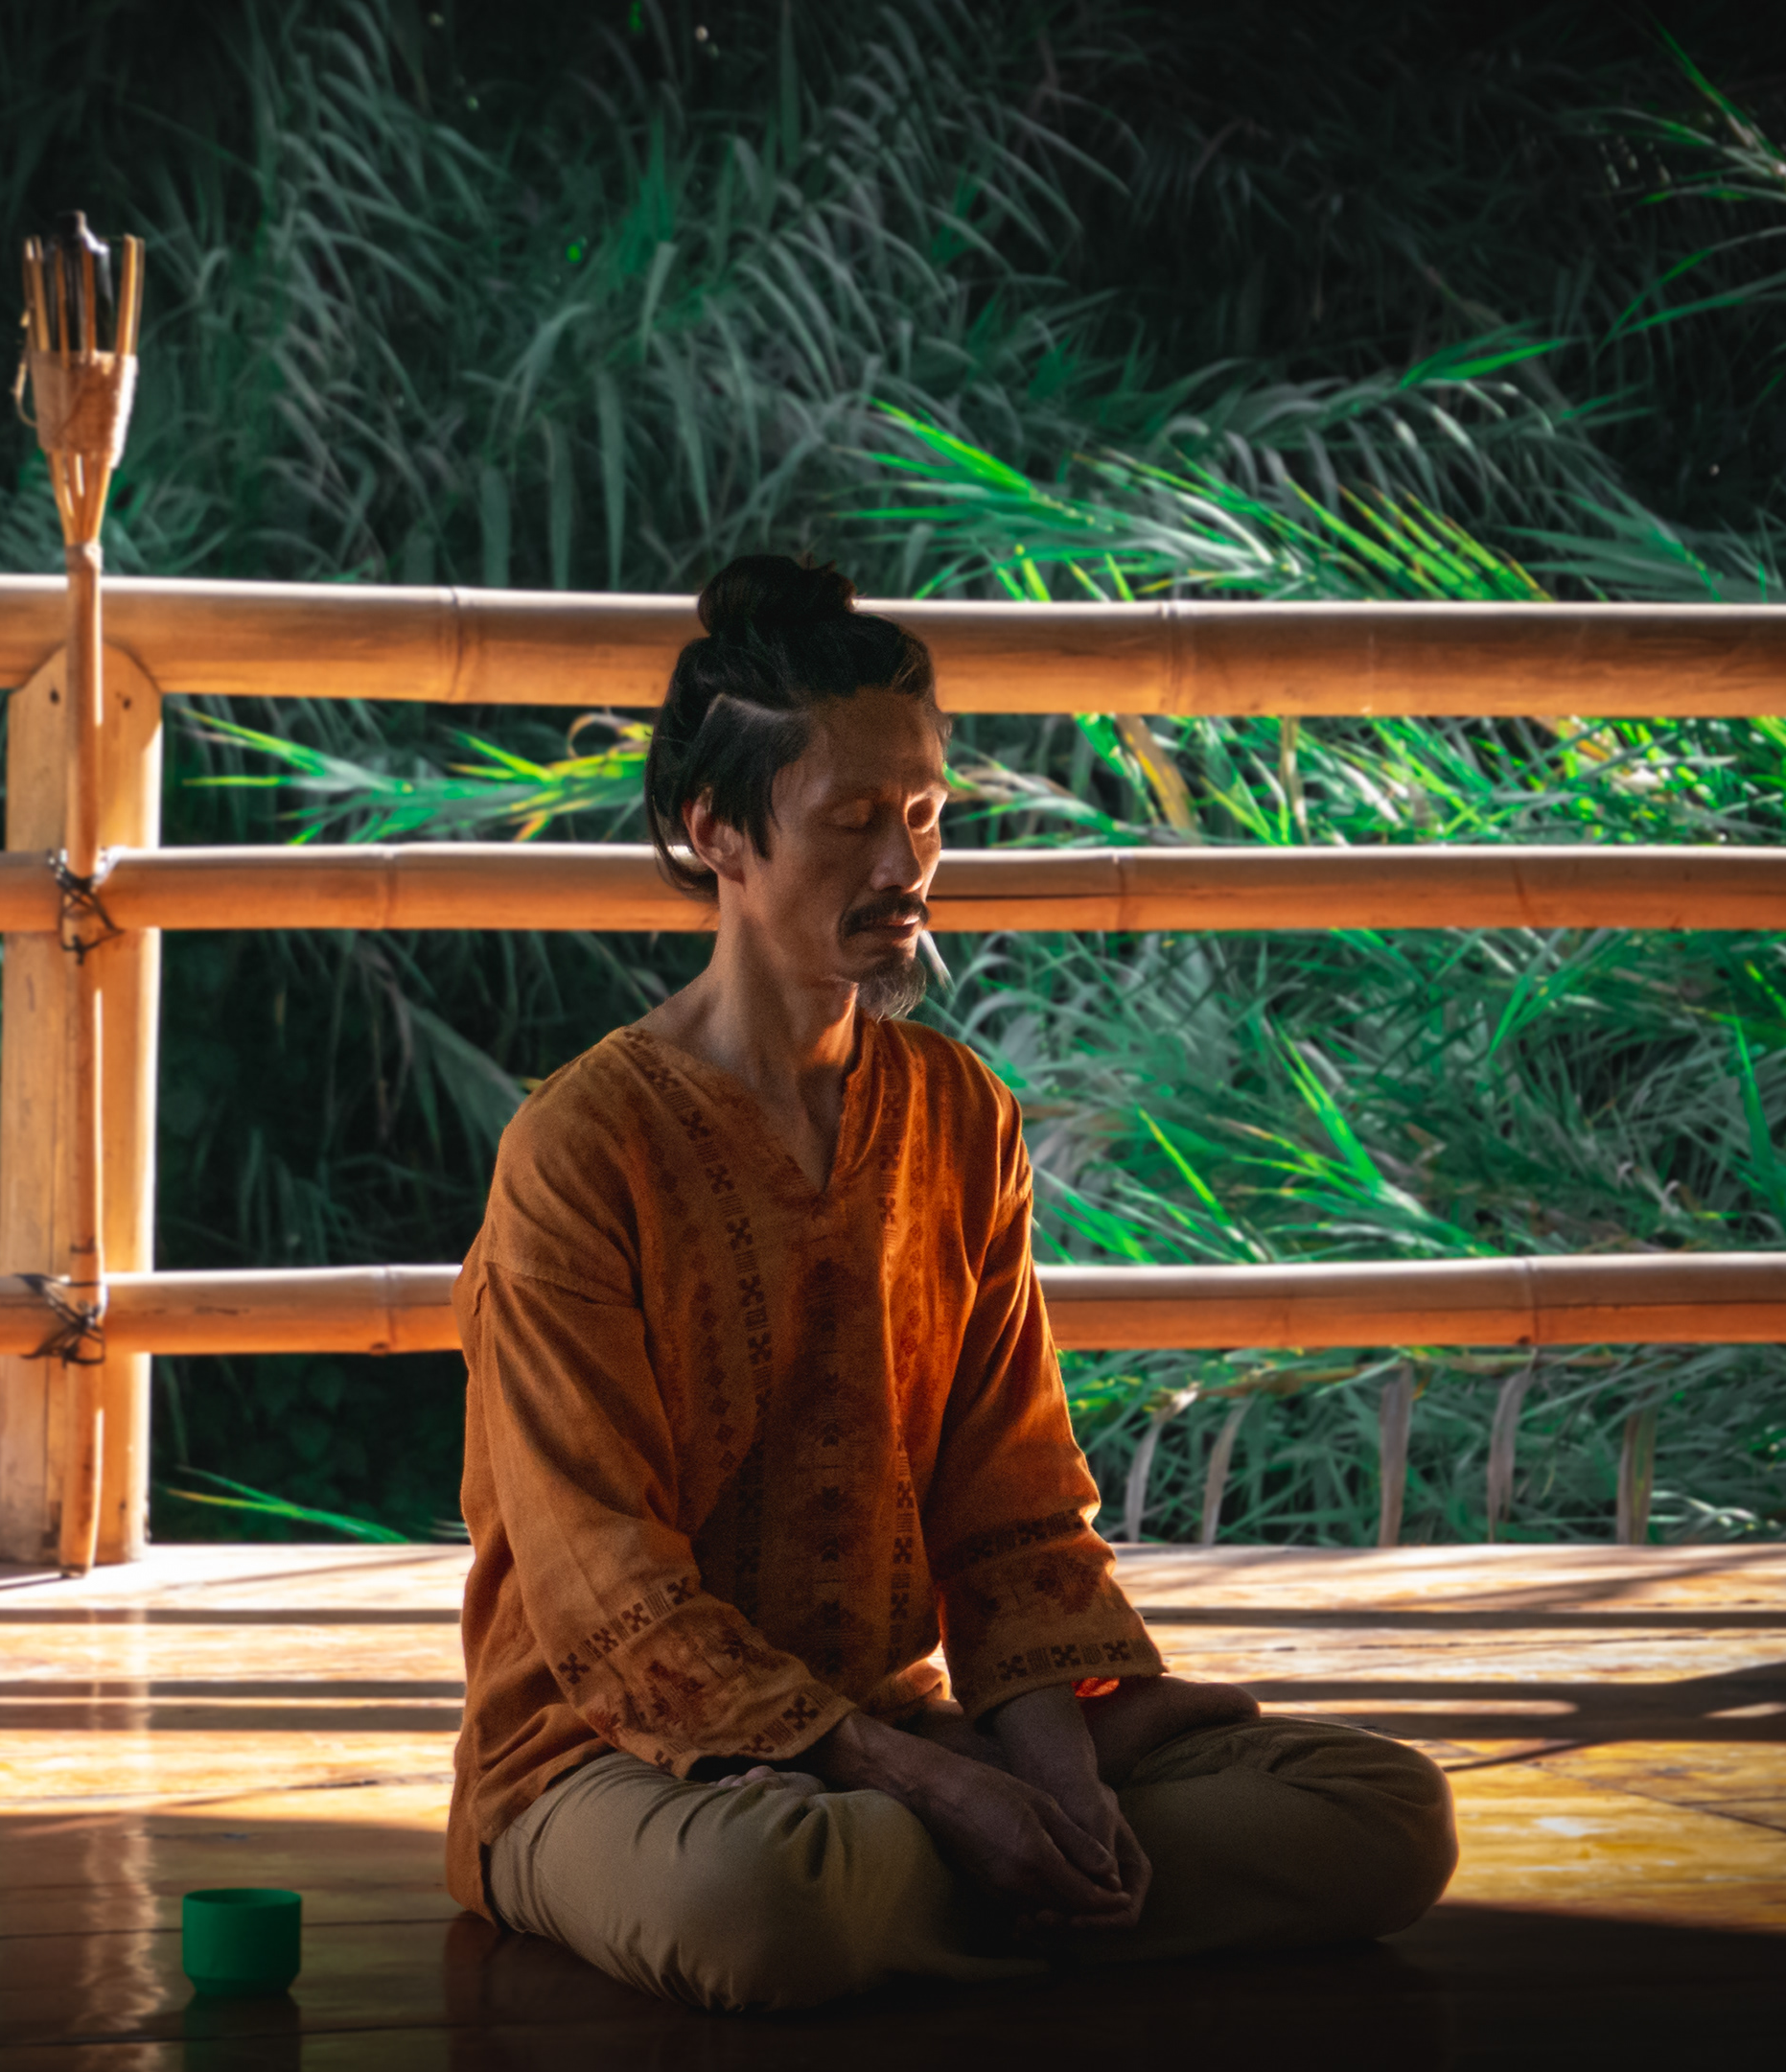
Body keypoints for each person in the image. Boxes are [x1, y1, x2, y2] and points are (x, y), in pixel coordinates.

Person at [446, 554, 1458, 2014]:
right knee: (770, 1899)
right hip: (614, 1759)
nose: (904, 867)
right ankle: (967, 1866)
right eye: (853, 819)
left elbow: (1012, 1504)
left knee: (1384, 1813)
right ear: (713, 829)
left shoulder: (959, 1114)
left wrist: (1050, 1771)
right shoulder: (582, 1149)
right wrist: (930, 1782)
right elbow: (603, 1584)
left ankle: (1000, 1867)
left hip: (902, 1730)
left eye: (924, 812)